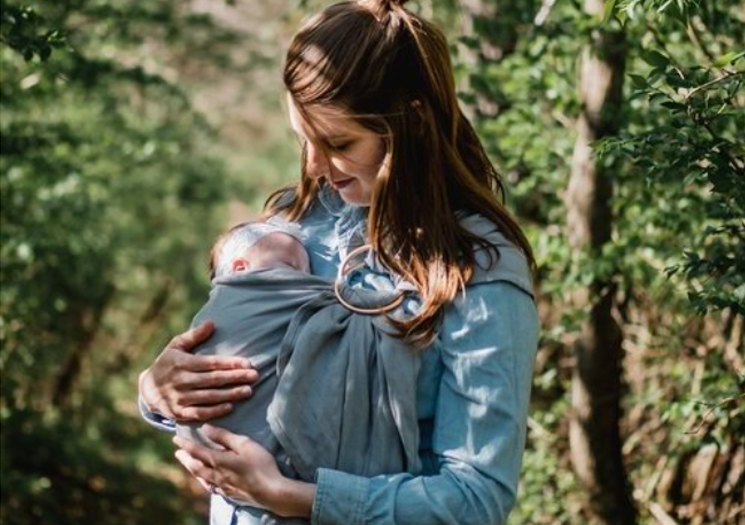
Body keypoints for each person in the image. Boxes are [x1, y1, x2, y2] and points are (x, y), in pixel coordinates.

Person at [138, 0, 541, 523]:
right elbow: (233, 377)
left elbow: (475, 498)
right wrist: (156, 391)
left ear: (411, 125)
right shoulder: (295, 223)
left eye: (337, 142)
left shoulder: (478, 271)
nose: (313, 165)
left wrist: (291, 497)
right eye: (303, 139)